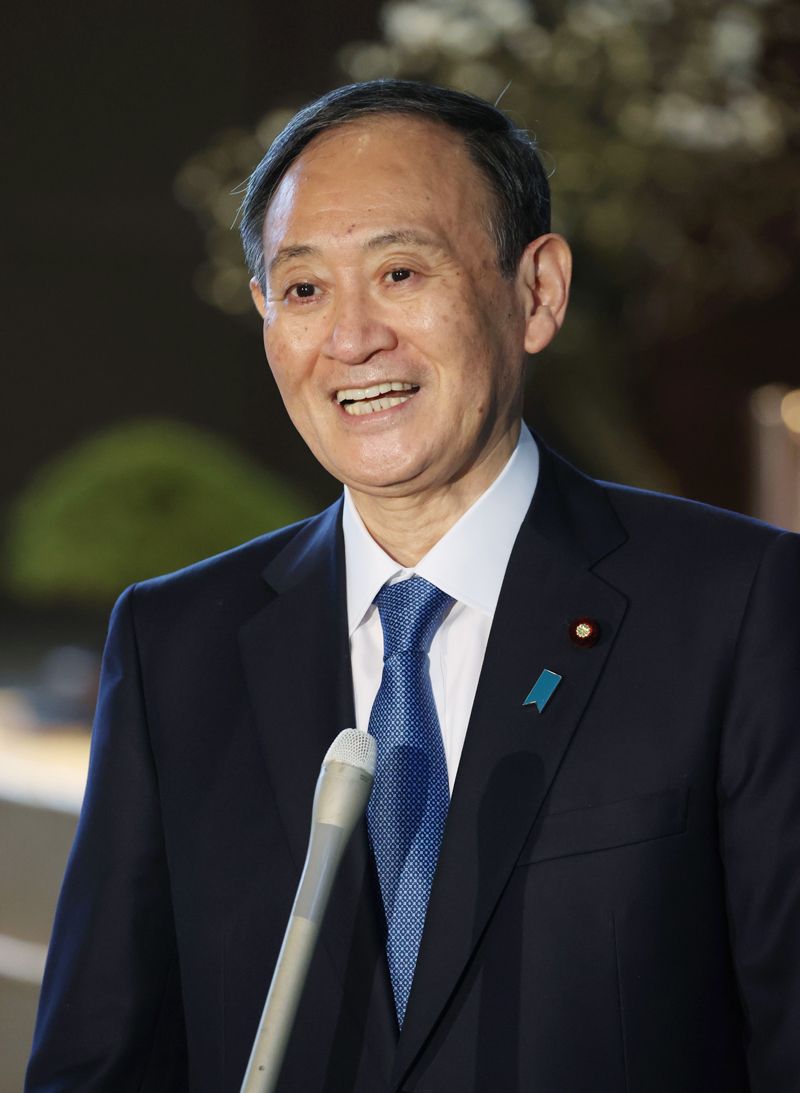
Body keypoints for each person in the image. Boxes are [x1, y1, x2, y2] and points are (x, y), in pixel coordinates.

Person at [27, 80, 800, 1093]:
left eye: (399, 272)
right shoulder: (175, 644)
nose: (351, 339)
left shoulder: (737, 608)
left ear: (536, 292)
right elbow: (100, 1063)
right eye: (304, 290)